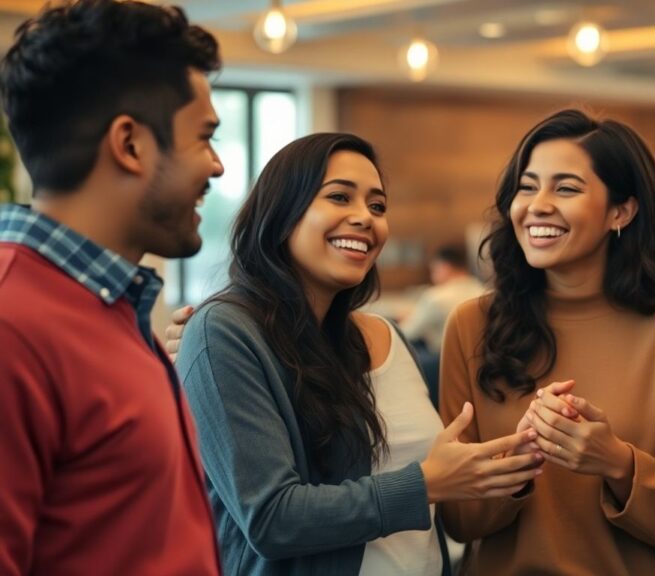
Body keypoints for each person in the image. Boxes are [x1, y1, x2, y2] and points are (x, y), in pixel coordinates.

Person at [169, 133, 542, 575]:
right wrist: (422, 485)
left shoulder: (385, 336)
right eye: (339, 197)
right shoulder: (226, 332)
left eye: (377, 206)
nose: (364, 218)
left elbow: (440, 496)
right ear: (283, 212)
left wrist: (510, 464)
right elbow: (270, 517)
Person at [0, 1, 224, 574]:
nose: (218, 167)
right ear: (130, 145)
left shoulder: (113, 304)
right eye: (203, 138)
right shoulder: (12, 327)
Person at [439, 109, 655, 575]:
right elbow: (459, 521)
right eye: (527, 186)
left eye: (566, 188)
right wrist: (515, 463)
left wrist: (617, 463)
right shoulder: (470, 325)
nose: (538, 205)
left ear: (621, 211)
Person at [400, 244, 486, 405]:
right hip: (482, 361)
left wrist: (406, 318)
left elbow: (406, 333)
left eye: (434, 270)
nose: (433, 275)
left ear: (444, 267)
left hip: (444, 364)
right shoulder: (482, 290)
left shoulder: (436, 297)